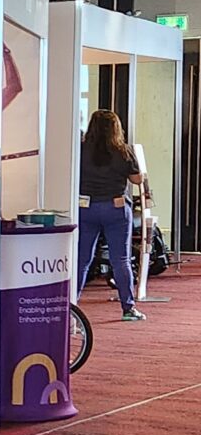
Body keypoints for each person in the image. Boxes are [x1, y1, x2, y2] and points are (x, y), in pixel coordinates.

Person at [78, 109, 146, 322]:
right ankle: (128, 307)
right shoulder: (122, 151)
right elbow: (136, 180)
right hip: (115, 209)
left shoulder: (80, 150)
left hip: (86, 208)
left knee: (82, 259)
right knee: (121, 259)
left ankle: (71, 306)